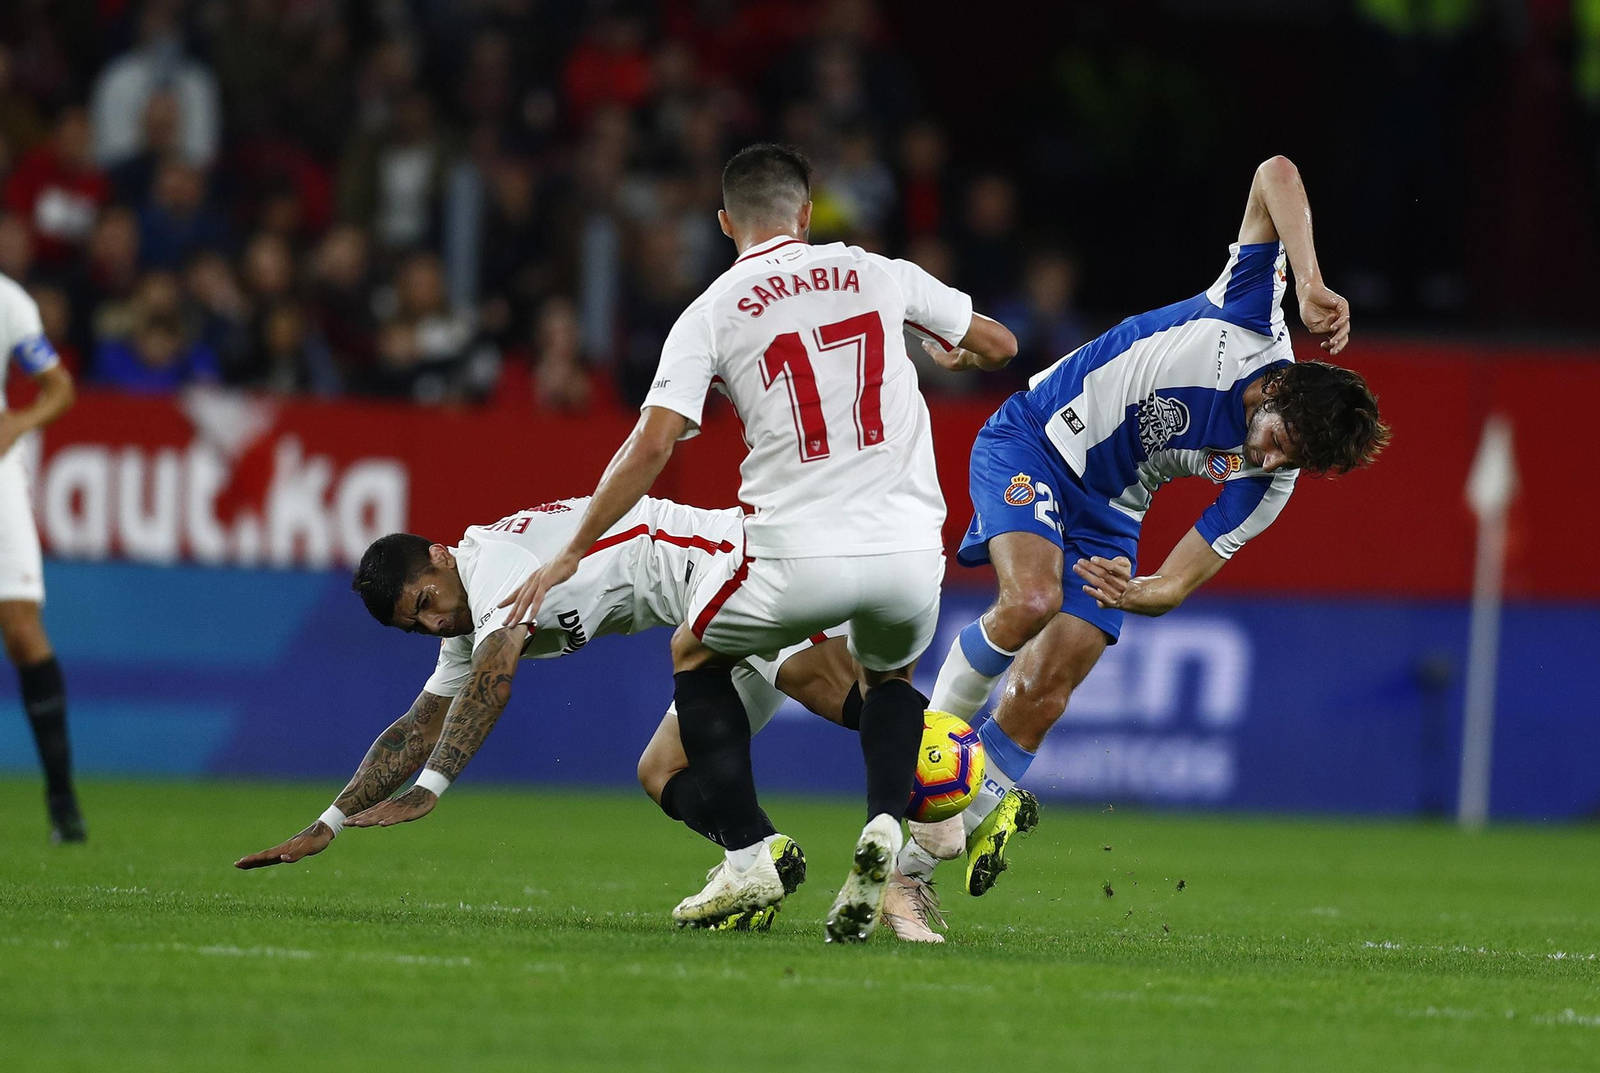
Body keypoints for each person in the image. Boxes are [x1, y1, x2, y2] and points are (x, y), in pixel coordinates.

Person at [495, 144, 1017, 941]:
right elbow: (999, 345)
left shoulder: (711, 308)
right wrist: (955, 348)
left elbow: (652, 444)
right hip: (910, 548)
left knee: (694, 651)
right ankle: (883, 822)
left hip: (793, 550)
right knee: (888, 684)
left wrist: (572, 547)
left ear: (725, 223)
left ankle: (747, 855)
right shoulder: (880, 270)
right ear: (806, 215)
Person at [892, 156, 1391, 934]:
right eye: (1275, 441)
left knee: (1046, 688)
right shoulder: (1252, 312)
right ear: (1283, 389)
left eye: (1287, 461)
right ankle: (937, 763)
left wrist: (1136, 589)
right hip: (1036, 440)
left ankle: (907, 874)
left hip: (1111, 509)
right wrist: (1314, 277)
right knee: (1030, 599)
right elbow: (1275, 173)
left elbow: (1173, 584)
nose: (1266, 461)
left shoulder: (1272, 482)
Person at [233, 496, 869, 934]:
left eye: (426, 601)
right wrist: (332, 822)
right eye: (416, 624)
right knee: (662, 769)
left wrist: (430, 789)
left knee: (850, 704)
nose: (434, 623)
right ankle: (761, 858)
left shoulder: (493, 567)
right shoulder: (466, 618)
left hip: (726, 566)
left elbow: (494, 680)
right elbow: (417, 726)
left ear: (440, 555)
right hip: (701, 619)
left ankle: (970, 797)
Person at [0, 271, 83, 842]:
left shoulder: (7, 300)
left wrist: (19, 422)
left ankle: (62, 799)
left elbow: (58, 386)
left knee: (22, 628)